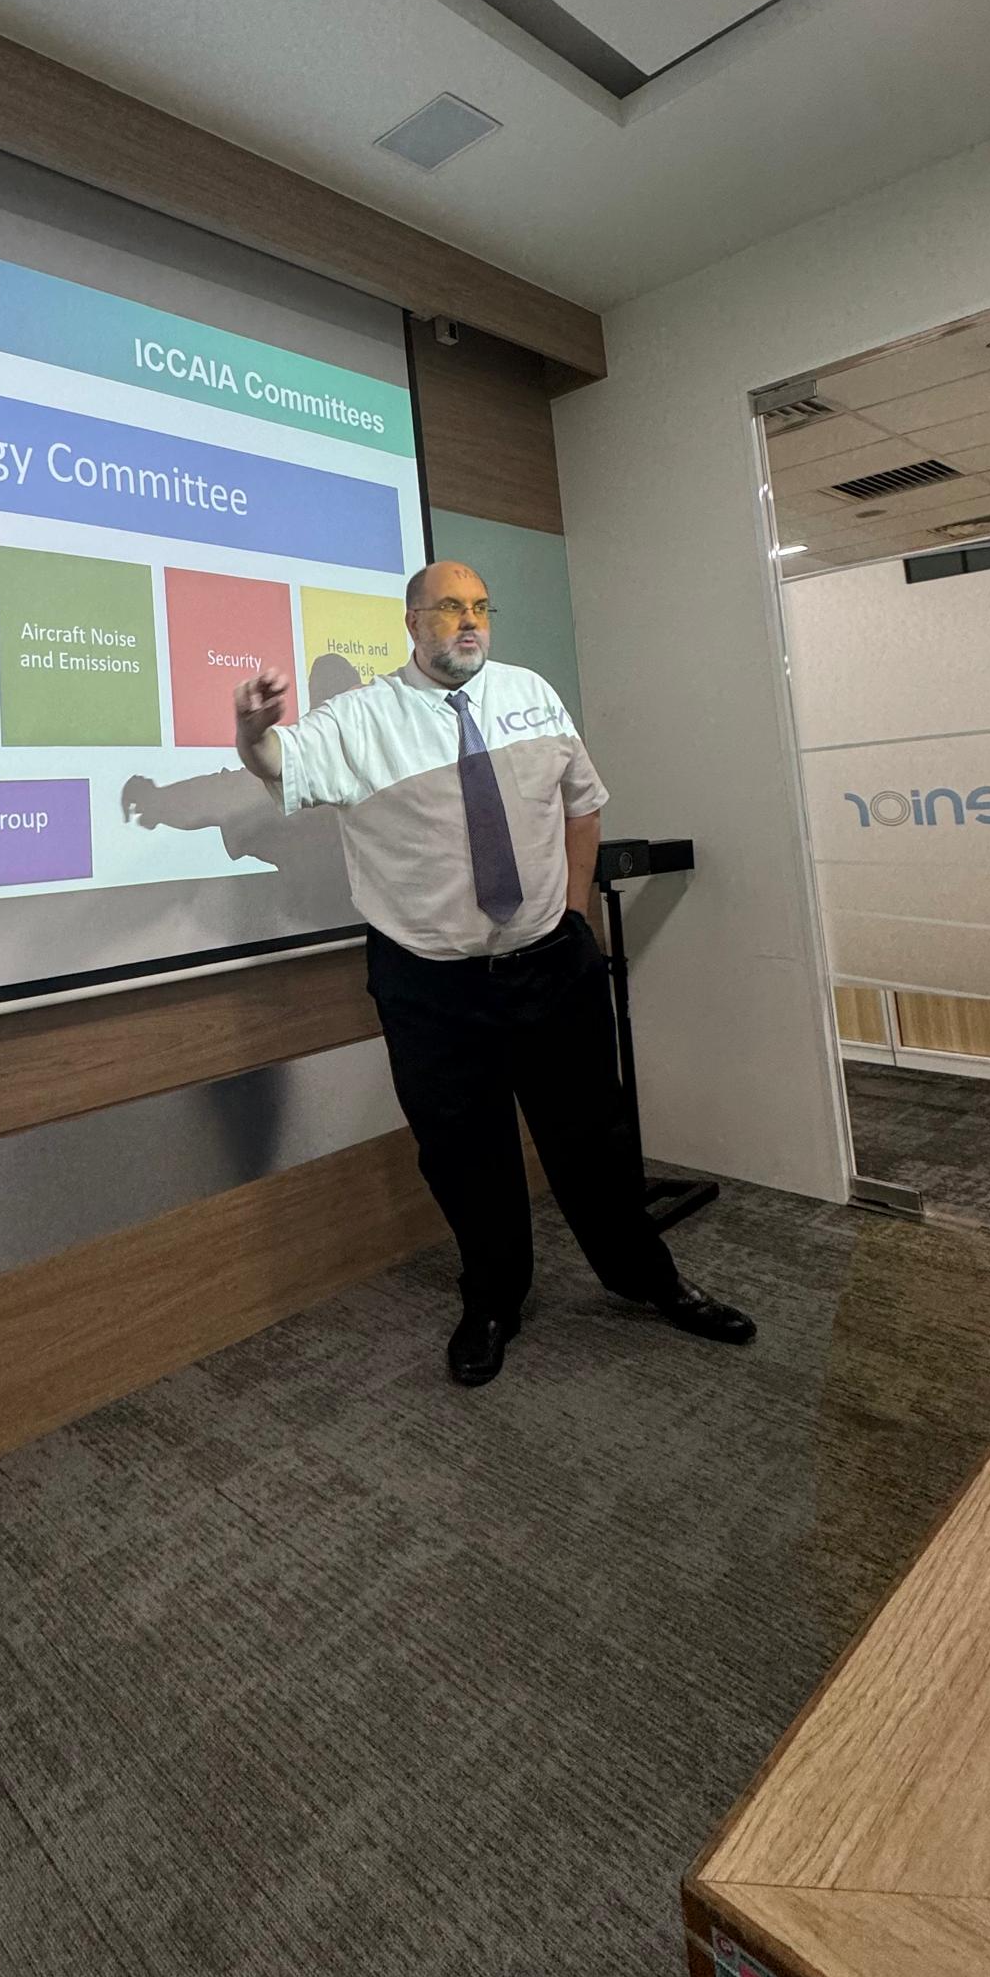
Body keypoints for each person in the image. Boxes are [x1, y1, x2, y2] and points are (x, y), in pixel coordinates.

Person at [232, 560, 754, 1387]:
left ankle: (646, 1278)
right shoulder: (361, 718)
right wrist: (252, 730)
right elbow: (277, 762)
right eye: (448, 608)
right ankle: (493, 1301)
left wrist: (575, 915)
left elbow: (583, 803)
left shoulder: (531, 693)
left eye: (479, 607)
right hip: (431, 984)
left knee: (594, 1140)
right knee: (464, 1155)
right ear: (412, 623)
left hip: (551, 964)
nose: (468, 621)